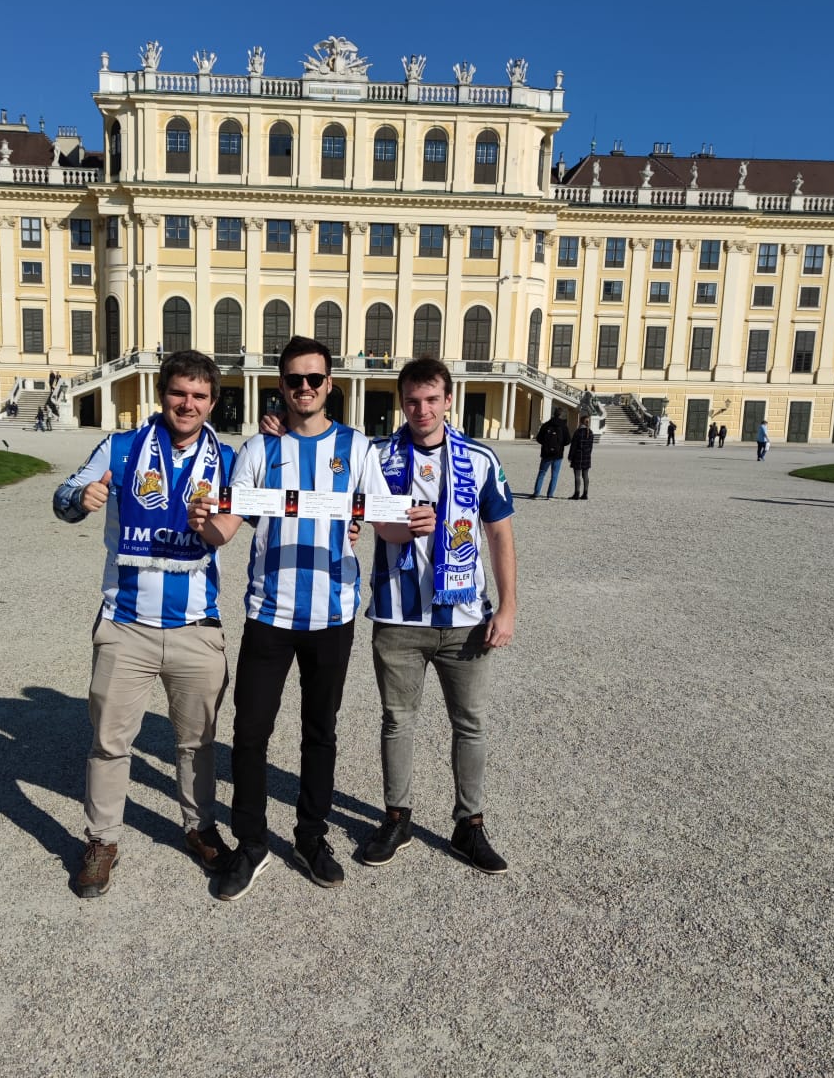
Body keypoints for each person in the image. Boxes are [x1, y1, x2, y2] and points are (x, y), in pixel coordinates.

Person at [188, 337, 393, 903]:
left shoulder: (356, 448)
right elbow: (229, 526)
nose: (305, 387)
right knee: (250, 733)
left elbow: (381, 520)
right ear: (281, 385)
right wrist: (204, 521)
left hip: (333, 612)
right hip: (270, 611)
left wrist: (412, 522)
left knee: (320, 733)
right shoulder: (259, 449)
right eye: (295, 379)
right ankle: (251, 842)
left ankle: (309, 836)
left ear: (330, 384)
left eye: (315, 378)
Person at [53, 351, 236, 898]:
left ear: (212, 403)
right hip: (126, 622)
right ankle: (102, 838)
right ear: (163, 394)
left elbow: (257, 514)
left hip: (196, 624)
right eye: (180, 392)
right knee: (110, 741)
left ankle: (199, 826)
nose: (188, 404)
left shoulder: (226, 459)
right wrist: (80, 500)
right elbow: (62, 496)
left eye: (200, 396)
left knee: (197, 741)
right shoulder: (120, 446)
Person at [361, 358, 516, 875]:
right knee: (396, 721)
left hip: (466, 616)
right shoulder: (378, 457)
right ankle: (398, 817)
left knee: (470, 723)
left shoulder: (480, 459)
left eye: (431, 399)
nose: (421, 410)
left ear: (449, 400)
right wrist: (405, 526)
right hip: (399, 616)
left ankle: (468, 824)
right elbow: (376, 525)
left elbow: (500, 534)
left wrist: (510, 607)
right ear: (400, 402)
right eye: (411, 400)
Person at [531, 408, 570, 499]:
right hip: (558, 454)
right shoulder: (564, 426)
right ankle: (550, 495)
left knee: (542, 473)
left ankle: (536, 493)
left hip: (546, 453)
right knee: (554, 475)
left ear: (554, 414)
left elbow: (539, 439)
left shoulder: (546, 425)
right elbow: (568, 440)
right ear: (561, 416)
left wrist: (546, 445)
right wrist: (560, 445)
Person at [568, 414, 594, 499]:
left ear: (580, 421)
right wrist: (588, 454)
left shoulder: (578, 432)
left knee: (577, 475)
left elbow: (573, 446)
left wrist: (570, 456)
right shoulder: (590, 432)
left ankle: (577, 493)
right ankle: (585, 494)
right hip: (587, 456)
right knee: (585, 475)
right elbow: (591, 447)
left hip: (578, 456)